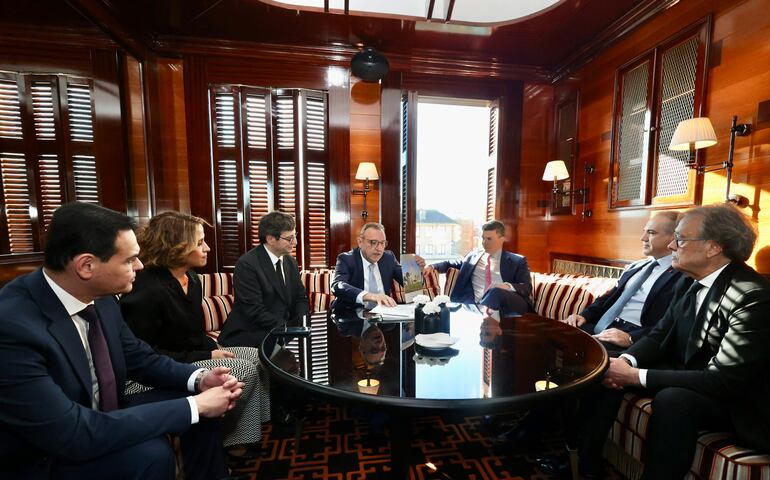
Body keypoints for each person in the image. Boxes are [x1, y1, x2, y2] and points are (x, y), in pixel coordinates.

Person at [0, 202, 243, 480]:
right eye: (129, 260)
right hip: (50, 451)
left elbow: (141, 358)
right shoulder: (11, 327)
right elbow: (70, 432)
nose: (140, 266)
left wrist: (199, 380)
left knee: (201, 410)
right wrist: (195, 406)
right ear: (86, 266)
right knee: (152, 453)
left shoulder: (102, 299)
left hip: (104, 412)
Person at [545, 203, 770, 478]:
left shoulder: (752, 297)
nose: (672, 246)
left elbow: (724, 380)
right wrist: (625, 362)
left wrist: (635, 376)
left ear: (713, 247)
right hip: (692, 373)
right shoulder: (689, 280)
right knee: (604, 366)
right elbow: (660, 334)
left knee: (673, 400)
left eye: (681, 239)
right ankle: (584, 461)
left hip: (737, 399)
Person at [120, 211, 269, 456]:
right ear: (176, 246)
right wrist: (206, 356)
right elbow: (143, 356)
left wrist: (211, 349)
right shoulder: (147, 290)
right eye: (200, 243)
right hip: (154, 372)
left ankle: (244, 434)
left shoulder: (191, 278)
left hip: (190, 353)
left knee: (257, 356)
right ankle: (228, 442)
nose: (207, 248)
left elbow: (194, 331)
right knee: (242, 368)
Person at [562, 211, 682, 355]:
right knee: (554, 335)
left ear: (673, 237)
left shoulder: (683, 275)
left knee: (580, 353)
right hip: (603, 325)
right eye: (644, 231)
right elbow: (609, 297)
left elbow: (673, 324)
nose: (642, 238)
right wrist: (584, 316)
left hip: (634, 335)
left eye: (651, 233)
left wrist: (632, 338)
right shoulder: (636, 267)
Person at [218, 211, 309, 349]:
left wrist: (301, 325)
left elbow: (300, 298)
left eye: (295, 236)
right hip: (251, 334)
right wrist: (287, 329)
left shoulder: (290, 262)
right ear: (270, 239)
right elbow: (254, 311)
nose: (295, 242)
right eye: (290, 238)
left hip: (282, 332)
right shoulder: (247, 264)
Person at [424, 219, 532, 314]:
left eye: (489, 239)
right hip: (475, 306)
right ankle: (485, 310)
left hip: (506, 305)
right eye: (483, 238)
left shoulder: (517, 261)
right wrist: (432, 266)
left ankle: (487, 307)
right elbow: (450, 264)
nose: (484, 243)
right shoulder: (473, 257)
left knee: (495, 291)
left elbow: (526, 287)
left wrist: (506, 286)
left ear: (502, 239)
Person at [332, 223, 424, 308]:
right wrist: (370, 296)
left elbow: (411, 285)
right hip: (351, 313)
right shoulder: (346, 259)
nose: (379, 249)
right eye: (373, 242)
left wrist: (415, 270)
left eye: (382, 243)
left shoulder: (388, 257)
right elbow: (337, 286)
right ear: (360, 242)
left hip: (384, 315)